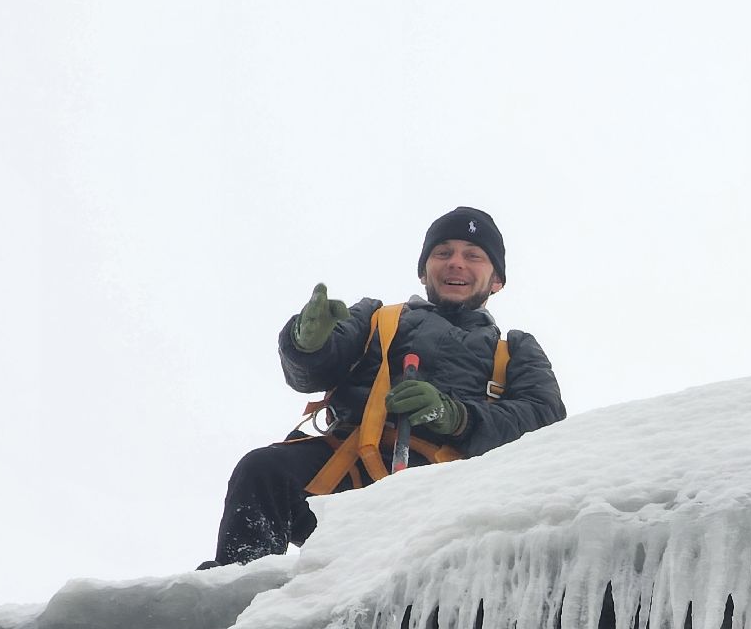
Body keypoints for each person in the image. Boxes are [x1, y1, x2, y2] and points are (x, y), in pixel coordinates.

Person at [205, 207, 566, 566]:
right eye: (443, 253)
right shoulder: (377, 317)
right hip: (348, 472)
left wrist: (458, 418)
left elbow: (544, 418)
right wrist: (306, 343)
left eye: (472, 255)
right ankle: (232, 592)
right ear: (423, 271)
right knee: (264, 471)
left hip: (447, 497)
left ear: (497, 280)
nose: (456, 262)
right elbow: (317, 367)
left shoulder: (514, 350)